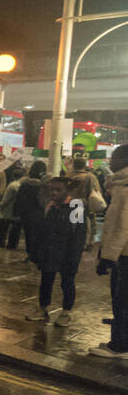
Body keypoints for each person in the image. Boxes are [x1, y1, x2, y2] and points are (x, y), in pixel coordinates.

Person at [23, 176, 87, 327]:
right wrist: (37, 252)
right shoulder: (50, 206)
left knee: (67, 282)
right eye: (51, 189)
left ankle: (66, 313)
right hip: (49, 250)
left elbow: (78, 235)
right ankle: (42, 309)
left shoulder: (76, 206)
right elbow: (43, 230)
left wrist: (75, 256)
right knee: (46, 281)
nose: (54, 193)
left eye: (58, 190)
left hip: (67, 252)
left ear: (67, 191)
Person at [91, 144, 128, 358]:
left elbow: (122, 226)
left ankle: (120, 346)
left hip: (124, 253)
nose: (111, 162)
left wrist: (108, 257)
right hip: (122, 252)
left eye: (115, 158)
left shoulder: (125, 188)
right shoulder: (120, 185)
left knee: (121, 298)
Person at [13, 160, 49, 263]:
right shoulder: (45, 185)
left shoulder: (25, 184)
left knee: (29, 235)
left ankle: (31, 254)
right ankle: (38, 254)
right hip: (41, 213)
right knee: (40, 235)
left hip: (27, 214)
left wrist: (17, 213)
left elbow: (19, 200)